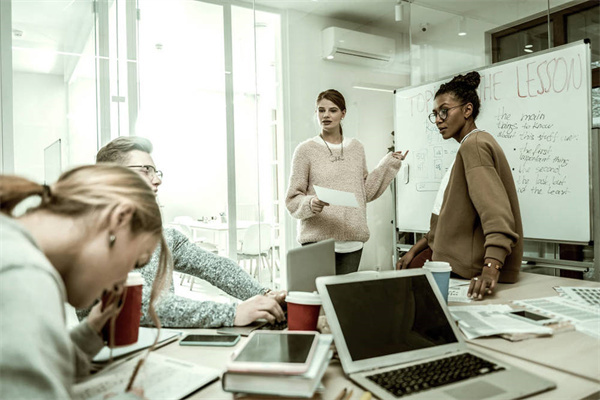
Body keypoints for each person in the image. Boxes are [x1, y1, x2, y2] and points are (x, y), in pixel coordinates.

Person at [0, 164, 172, 398]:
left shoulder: (12, 245)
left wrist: (89, 332)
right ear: (119, 218)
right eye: (134, 263)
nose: (119, 285)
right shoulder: (24, 275)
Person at [83, 136, 286, 328]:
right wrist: (232, 313)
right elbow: (137, 305)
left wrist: (265, 294)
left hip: (160, 345)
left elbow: (215, 266)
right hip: (111, 355)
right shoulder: (93, 237)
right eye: (145, 170)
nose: (157, 180)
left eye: (155, 171)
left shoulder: (164, 237)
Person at [398, 71, 523, 300]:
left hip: (466, 272)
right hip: (450, 264)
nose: (438, 119)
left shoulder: (473, 145)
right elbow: (448, 219)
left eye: (444, 111)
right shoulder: (470, 145)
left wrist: (491, 268)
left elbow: (496, 213)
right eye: (435, 114)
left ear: (467, 110)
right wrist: (416, 249)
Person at [286, 89, 408, 274]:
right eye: (321, 110)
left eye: (333, 110)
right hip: (317, 241)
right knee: (319, 299)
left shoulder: (356, 148)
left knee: (341, 300)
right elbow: (292, 199)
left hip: (352, 241)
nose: (326, 115)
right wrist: (310, 203)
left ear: (343, 113)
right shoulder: (305, 150)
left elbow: (364, 192)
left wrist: (388, 164)